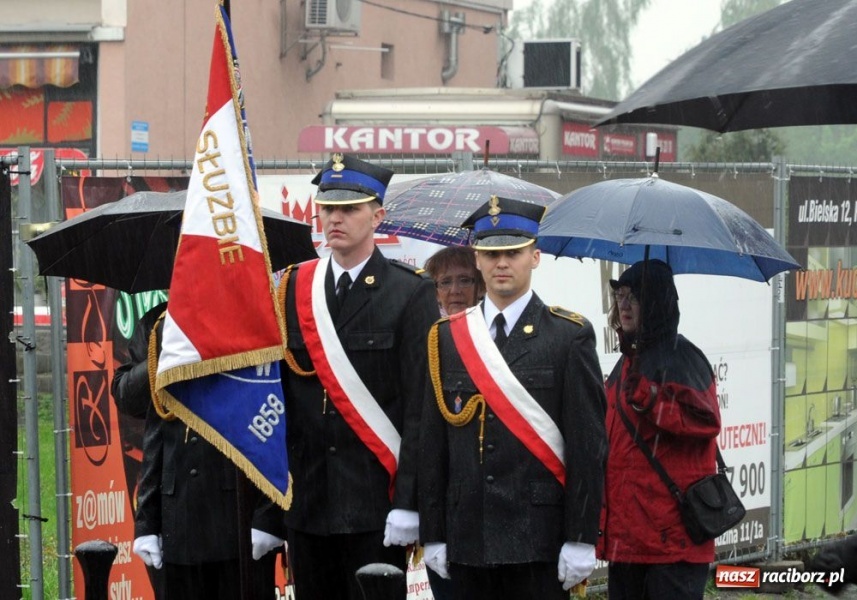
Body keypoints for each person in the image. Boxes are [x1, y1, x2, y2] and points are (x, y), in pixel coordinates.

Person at [418, 196, 607, 600]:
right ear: (477, 260)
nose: (502, 263)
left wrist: (580, 537)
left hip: (537, 540)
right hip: (466, 536)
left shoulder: (568, 336)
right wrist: (432, 532)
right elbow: (432, 445)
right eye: (491, 253)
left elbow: (588, 447)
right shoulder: (447, 337)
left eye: (513, 252)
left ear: (535, 257)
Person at [276, 154, 439, 599]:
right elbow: (277, 401)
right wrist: (268, 513)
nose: (335, 218)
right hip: (307, 504)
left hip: (375, 505)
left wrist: (408, 503)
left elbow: (420, 410)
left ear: (378, 215)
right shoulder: (293, 289)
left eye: (349, 208)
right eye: (328, 208)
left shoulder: (410, 293)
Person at [115, 302, 285, 599]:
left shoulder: (250, 311)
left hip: (237, 515)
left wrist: (269, 515)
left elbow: (276, 417)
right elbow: (140, 408)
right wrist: (146, 522)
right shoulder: (159, 324)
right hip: (178, 517)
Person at [598, 259, 721, 600]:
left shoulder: (682, 357)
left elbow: (706, 421)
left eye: (634, 297)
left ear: (655, 303)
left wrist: (652, 399)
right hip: (628, 540)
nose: (623, 305)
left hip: (671, 542)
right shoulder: (628, 361)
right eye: (620, 295)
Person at [424, 245, 484, 317]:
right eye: (445, 282)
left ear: (481, 287)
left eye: (464, 281)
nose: (454, 291)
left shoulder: (496, 325)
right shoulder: (427, 326)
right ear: (436, 293)